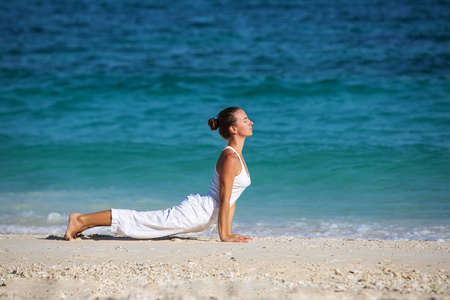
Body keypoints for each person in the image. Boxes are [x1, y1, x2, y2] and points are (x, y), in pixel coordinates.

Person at [64, 107, 254, 243]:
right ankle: (80, 220)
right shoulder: (230, 158)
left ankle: (84, 223)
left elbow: (232, 199)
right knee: (141, 221)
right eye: (245, 120)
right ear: (233, 129)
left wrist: (228, 232)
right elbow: (224, 198)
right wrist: (225, 236)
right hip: (196, 214)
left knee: (143, 225)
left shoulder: (236, 156)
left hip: (202, 215)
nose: (250, 122)